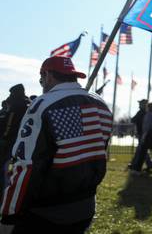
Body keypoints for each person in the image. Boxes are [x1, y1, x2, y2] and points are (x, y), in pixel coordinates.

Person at [0, 56, 112, 233]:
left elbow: (26, 166)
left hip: (45, 213)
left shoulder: (43, 105)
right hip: (86, 205)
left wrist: (9, 214)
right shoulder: (101, 104)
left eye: (41, 79)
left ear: (49, 76)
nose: (42, 84)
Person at [0, 84, 30, 192]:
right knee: (12, 167)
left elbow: (9, 125)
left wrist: (4, 137)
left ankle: (5, 191)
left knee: (7, 167)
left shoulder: (15, 105)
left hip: (10, 143)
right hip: (23, 142)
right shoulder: (28, 104)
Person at [131, 102, 152, 176]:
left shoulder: (148, 115)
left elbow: (146, 126)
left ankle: (137, 170)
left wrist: (143, 136)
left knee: (142, 153)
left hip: (149, 134)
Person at [129, 99, 152, 172]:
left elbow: (133, 120)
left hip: (142, 134)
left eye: (140, 103)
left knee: (141, 150)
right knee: (141, 150)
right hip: (144, 133)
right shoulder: (147, 112)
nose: (139, 105)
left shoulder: (141, 112)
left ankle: (137, 164)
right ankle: (147, 164)